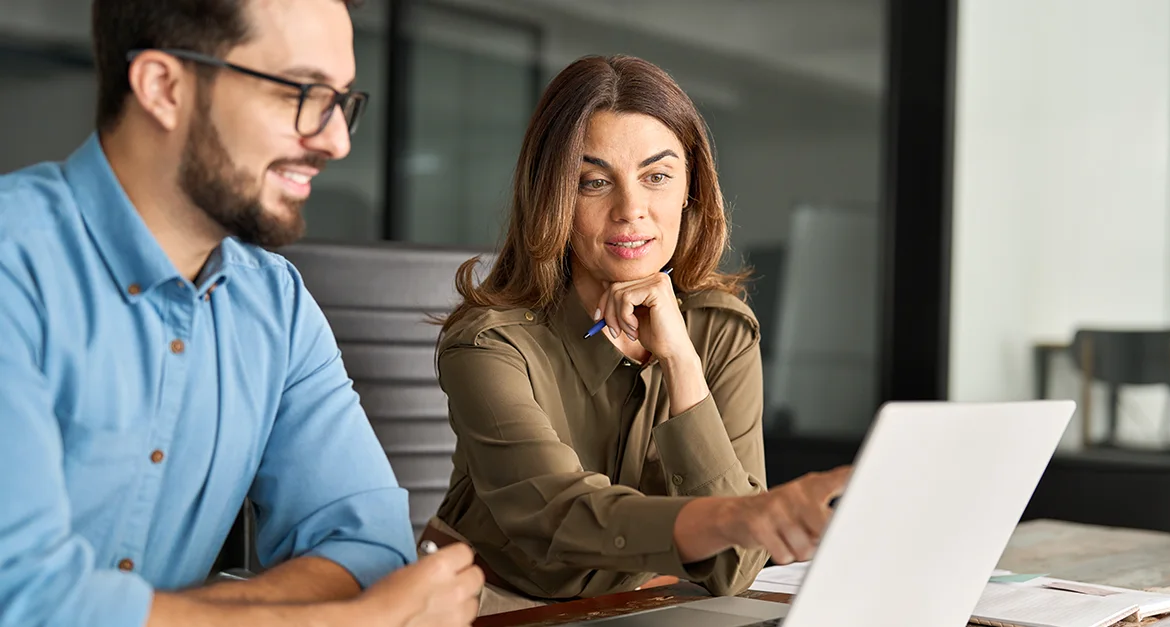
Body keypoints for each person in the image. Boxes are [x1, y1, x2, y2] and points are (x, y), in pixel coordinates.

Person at [0, 1, 483, 625]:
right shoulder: (14, 268)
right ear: (163, 87)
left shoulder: (275, 304)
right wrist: (346, 622)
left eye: (341, 102)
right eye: (302, 94)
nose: (336, 140)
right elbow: (23, 600)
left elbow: (369, 551)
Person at [427, 54, 851, 614]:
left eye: (656, 176)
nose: (632, 210)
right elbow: (558, 518)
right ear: (552, 195)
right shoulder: (488, 346)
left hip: (645, 607)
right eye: (594, 182)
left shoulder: (720, 330)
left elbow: (735, 565)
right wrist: (738, 517)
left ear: (690, 189)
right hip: (493, 605)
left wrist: (680, 360)